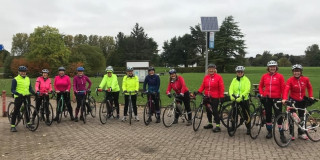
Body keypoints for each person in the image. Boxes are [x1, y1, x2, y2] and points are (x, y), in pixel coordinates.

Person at [282, 64, 314, 140]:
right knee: (291, 117)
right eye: (295, 71)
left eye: (298, 71)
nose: (297, 73)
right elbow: (286, 90)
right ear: (293, 72)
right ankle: (291, 134)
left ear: (301, 72)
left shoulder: (305, 79)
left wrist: (311, 96)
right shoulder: (290, 80)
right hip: (293, 100)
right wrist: (284, 98)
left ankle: (301, 133)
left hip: (302, 100)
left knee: (302, 117)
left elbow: (309, 88)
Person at [258, 60, 285, 139]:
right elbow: (260, 86)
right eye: (270, 67)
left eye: (274, 67)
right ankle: (269, 131)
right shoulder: (264, 76)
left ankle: (281, 133)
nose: (272, 68)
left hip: (277, 99)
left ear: (276, 67)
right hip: (267, 99)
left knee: (279, 116)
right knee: (268, 115)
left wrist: (283, 98)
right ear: (268, 68)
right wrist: (262, 93)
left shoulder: (280, 76)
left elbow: (283, 88)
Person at [197, 64, 225, 132]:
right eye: (210, 69)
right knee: (208, 111)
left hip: (215, 97)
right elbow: (202, 86)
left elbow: (221, 87)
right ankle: (210, 124)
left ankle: (218, 126)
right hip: (207, 97)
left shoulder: (218, 77)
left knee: (214, 111)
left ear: (215, 70)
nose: (211, 70)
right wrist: (198, 92)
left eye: (212, 69)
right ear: (208, 70)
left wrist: (221, 96)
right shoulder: (206, 77)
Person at [10, 66, 36, 132]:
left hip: (27, 96)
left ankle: (28, 123)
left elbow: (30, 88)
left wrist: (35, 93)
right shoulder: (15, 79)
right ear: (19, 72)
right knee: (16, 111)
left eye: (24, 72)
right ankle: (12, 126)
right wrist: (17, 93)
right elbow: (12, 89)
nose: (23, 73)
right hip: (19, 96)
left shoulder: (28, 79)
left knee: (27, 109)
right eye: (22, 72)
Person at [228, 66, 251, 135]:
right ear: (236, 72)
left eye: (241, 72)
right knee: (233, 113)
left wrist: (242, 96)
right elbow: (230, 88)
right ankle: (233, 126)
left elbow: (247, 89)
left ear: (243, 72)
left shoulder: (246, 80)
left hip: (244, 99)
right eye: (238, 72)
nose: (240, 73)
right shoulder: (234, 80)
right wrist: (231, 95)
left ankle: (248, 128)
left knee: (246, 114)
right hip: (235, 98)